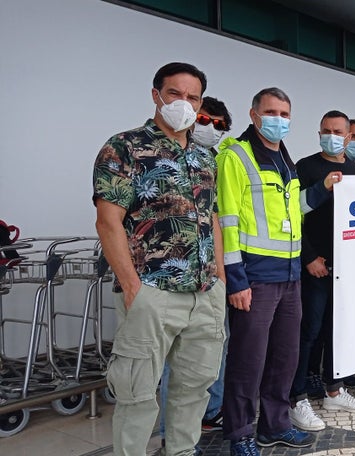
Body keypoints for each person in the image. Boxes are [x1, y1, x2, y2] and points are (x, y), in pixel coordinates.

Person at [93, 62, 226, 456]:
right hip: (152, 292)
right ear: (156, 95)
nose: (183, 104)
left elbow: (211, 217)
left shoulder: (205, 156)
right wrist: (133, 287)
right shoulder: (124, 147)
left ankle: (182, 452)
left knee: (194, 388)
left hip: (204, 293)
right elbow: (107, 221)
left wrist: (219, 275)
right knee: (136, 394)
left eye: (192, 98)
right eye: (175, 94)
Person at [217, 87, 341, 455]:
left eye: (285, 114)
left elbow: (295, 208)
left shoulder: (284, 159)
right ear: (253, 114)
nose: (279, 119)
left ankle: (275, 425)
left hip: (289, 277)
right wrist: (236, 280)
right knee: (247, 361)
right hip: (255, 278)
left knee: (284, 358)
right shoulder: (236, 157)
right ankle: (240, 434)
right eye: (271, 112)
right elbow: (227, 222)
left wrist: (323, 188)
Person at [288, 110, 355, 433]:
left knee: (338, 332)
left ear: (349, 136)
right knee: (308, 332)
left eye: (338, 131)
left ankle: (334, 389)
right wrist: (309, 257)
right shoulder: (305, 167)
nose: (331, 135)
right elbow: (296, 215)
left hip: (347, 269)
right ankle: (298, 397)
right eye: (326, 130)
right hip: (315, 268)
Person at [158, 96, 233, 443]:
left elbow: (216, 220)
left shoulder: (214, 162)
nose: (210, 128)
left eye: (219, 125)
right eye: (205, 119)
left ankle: (210, 412)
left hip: (211, 276)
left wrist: (221, 273)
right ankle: (170, 435)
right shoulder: (155, 154)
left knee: (213, 348)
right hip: (170, 278)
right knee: (179, 359)